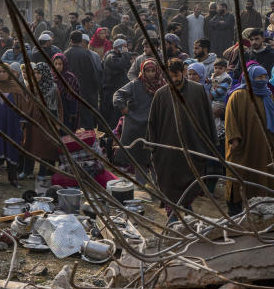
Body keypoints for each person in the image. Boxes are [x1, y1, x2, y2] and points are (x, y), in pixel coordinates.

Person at [147, 58, 216, 220]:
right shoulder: (161, 94)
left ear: (184, 73)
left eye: (177, 75)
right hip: (167, 150)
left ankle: (186, 210)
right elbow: (153, 123)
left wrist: (210, 143)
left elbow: (207, 116)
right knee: (170, 183)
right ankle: (174, 219)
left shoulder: (198, 90)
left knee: (191, 182)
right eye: (170, 76)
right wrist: (152, 148)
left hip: (194, 147)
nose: (175, 79)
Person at [224, 63, 274, 215]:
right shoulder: (238, 95)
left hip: (265, 148)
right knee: (240, 177)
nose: (262, 79)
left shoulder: (268, 96)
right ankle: (237, 212)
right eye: (259, 77)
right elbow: (230, 118)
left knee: (263, 178)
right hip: (244, 147)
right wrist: (234, 139)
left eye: (265, 77)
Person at [113, 59, 163, 175]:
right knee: (137, 157)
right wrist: (123, 107)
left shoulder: (162, 85)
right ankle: (142, 184)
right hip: (136, 125)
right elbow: (117, 94)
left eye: (152, 71)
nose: (150, 74)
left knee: (154, 157)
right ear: (142, 71)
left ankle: (156, 186)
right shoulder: (135, 84)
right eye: (147, 71)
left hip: (154, 124)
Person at [19, 62, 63, 180]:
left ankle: (42, 173)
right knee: (29, 144)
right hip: (32, 119)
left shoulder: (52, 88)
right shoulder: (30, 86)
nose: (36, 75)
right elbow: (25, 102)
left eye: (39, 73)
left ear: (45, 73)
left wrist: (57, 123)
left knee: (45, 147)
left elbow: (58, 106)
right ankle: (26, 171)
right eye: (35, 73)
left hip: (47, 121)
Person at [64, 31, 101, 129]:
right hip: (85, 90)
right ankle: (89, 139)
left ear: (71, 40)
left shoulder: (65, 53)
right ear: (81, 40)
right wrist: (97, 87)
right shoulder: (86, 53)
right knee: (86, 117)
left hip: (69, 90)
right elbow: (92, 72)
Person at [101, 38, 132, 128]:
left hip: (119, 90)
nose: (126, 49)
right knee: (112, 116)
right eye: (124, 47)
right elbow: (120, 65)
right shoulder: (111, 57)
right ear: (118, 48)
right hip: (111, 90)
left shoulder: (119, 56)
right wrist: (126, 54)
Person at [52, 53, 80, 131]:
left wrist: (72, 114)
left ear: (64, 64)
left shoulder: (70, 78)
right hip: (53, 111)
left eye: (60, 64)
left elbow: (74, 98)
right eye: (56, 64)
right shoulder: (50, 78)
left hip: (67, 112)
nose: (58, 66)